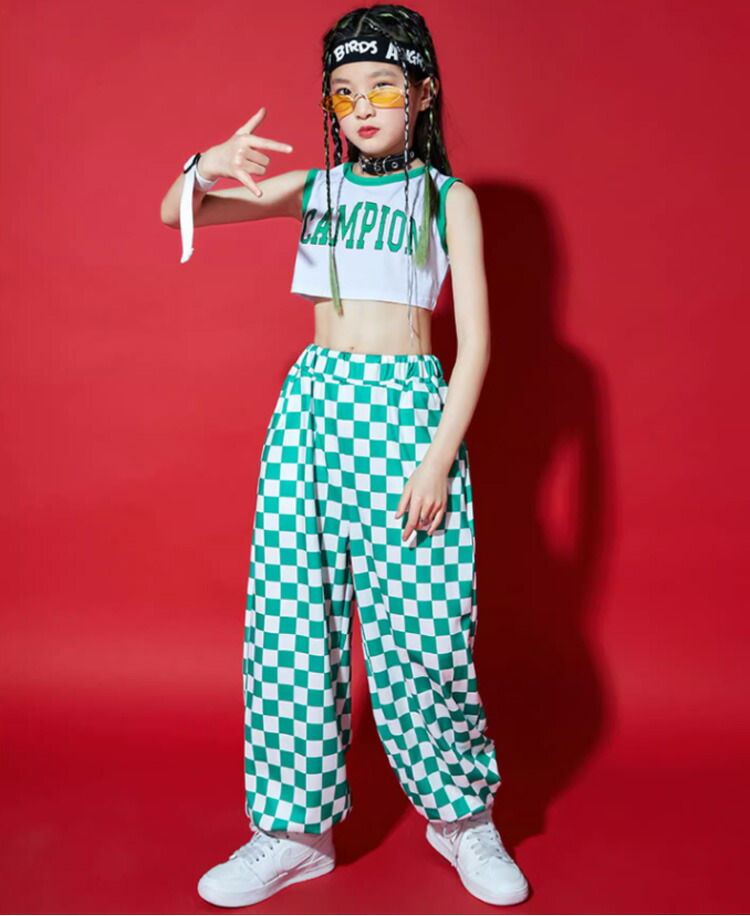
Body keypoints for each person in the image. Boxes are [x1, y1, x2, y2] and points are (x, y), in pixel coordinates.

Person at [160, 3, 530, 908]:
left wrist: (439, 457)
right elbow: (178, 213)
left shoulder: (447, 200)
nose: (362, 107)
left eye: (383, 88)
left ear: (421, 95)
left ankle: (462, 818)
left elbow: (477, 344)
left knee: (426, 629)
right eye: (345, 91)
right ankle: (294, 833)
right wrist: (204, 165)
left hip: (407, 415)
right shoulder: (317, 188)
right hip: (313, 410)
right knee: (289, 624)